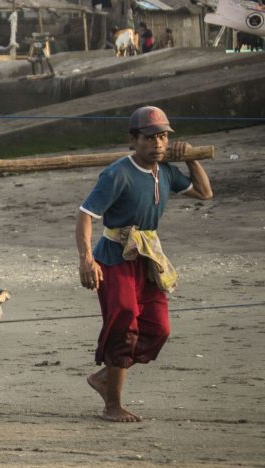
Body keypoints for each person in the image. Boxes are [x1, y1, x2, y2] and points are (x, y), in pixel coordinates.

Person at [75, 106, 212, 422]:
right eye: (150, 138)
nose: (158, 144)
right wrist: (86, 259)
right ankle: (112, 405)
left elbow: (205, 193)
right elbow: (85, 215)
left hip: (147, 258)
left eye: (163, 137)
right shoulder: (117, 173)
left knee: (158, 328)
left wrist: (191, 157)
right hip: (114, 257)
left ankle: (106, 377)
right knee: (123, 322)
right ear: (133, 140)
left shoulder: (165, 172)